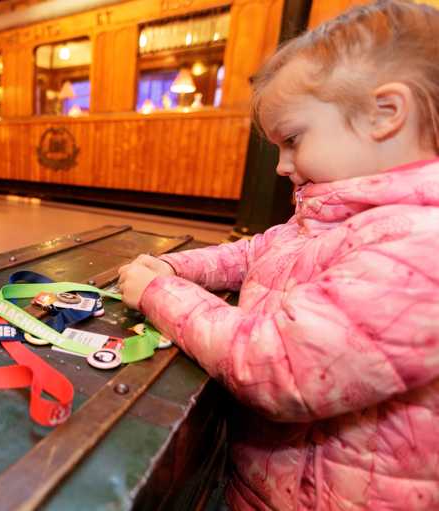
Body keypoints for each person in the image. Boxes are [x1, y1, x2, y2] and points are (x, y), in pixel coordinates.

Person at [118, 1, 439, 508]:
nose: (282, 166)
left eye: (292, 140)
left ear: (386, 114)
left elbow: (279, 365)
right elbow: (256, 253)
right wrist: (178, 266)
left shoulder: (420, 249)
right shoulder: (332, 217)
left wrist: (160, 293)